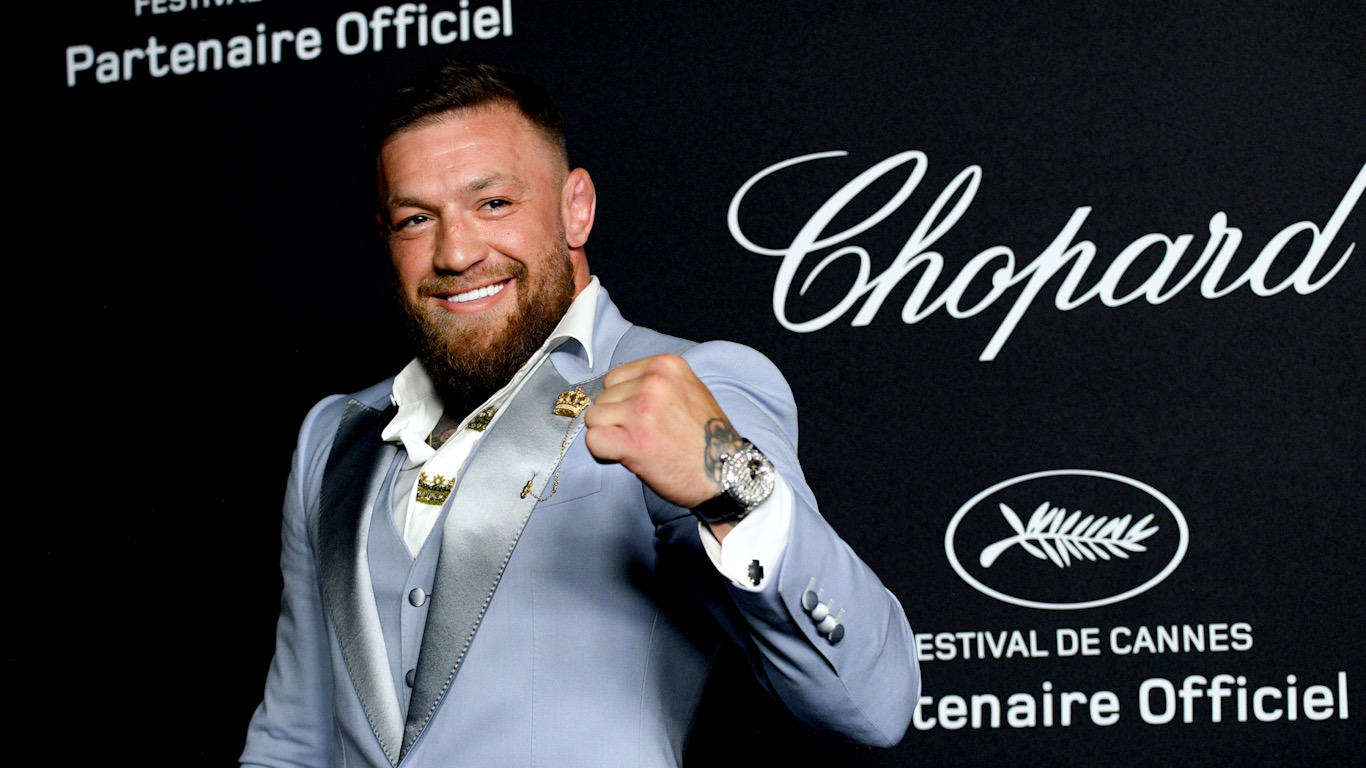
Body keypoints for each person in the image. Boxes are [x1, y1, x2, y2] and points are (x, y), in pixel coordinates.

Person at [241, 60, 918, 768]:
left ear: (576, 208)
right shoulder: (335, 435)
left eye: (494, 203)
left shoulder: (688, 381)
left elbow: (875, 702)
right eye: (416, 219)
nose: (457, 250)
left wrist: (729, 482)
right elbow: (294, 738)